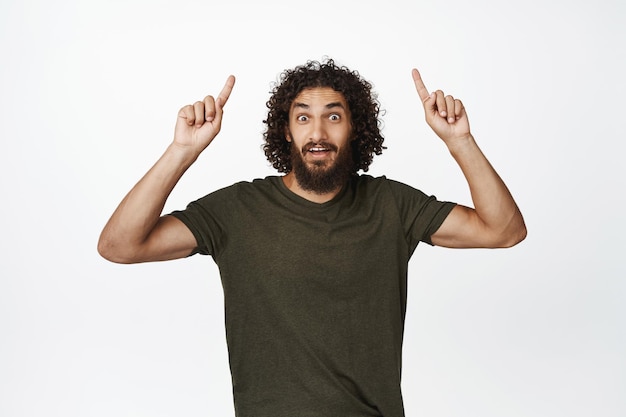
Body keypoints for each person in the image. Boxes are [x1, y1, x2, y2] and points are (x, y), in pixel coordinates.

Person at [98, 58, 526, 417]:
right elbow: (119, 245)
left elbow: (504, 231)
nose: (317, 133)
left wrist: (460, 141)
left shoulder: (391, 205)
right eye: (303, 117)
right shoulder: (236, 211)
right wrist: (182, 151)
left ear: (354, 128)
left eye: (333, 116)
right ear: (286, 130)